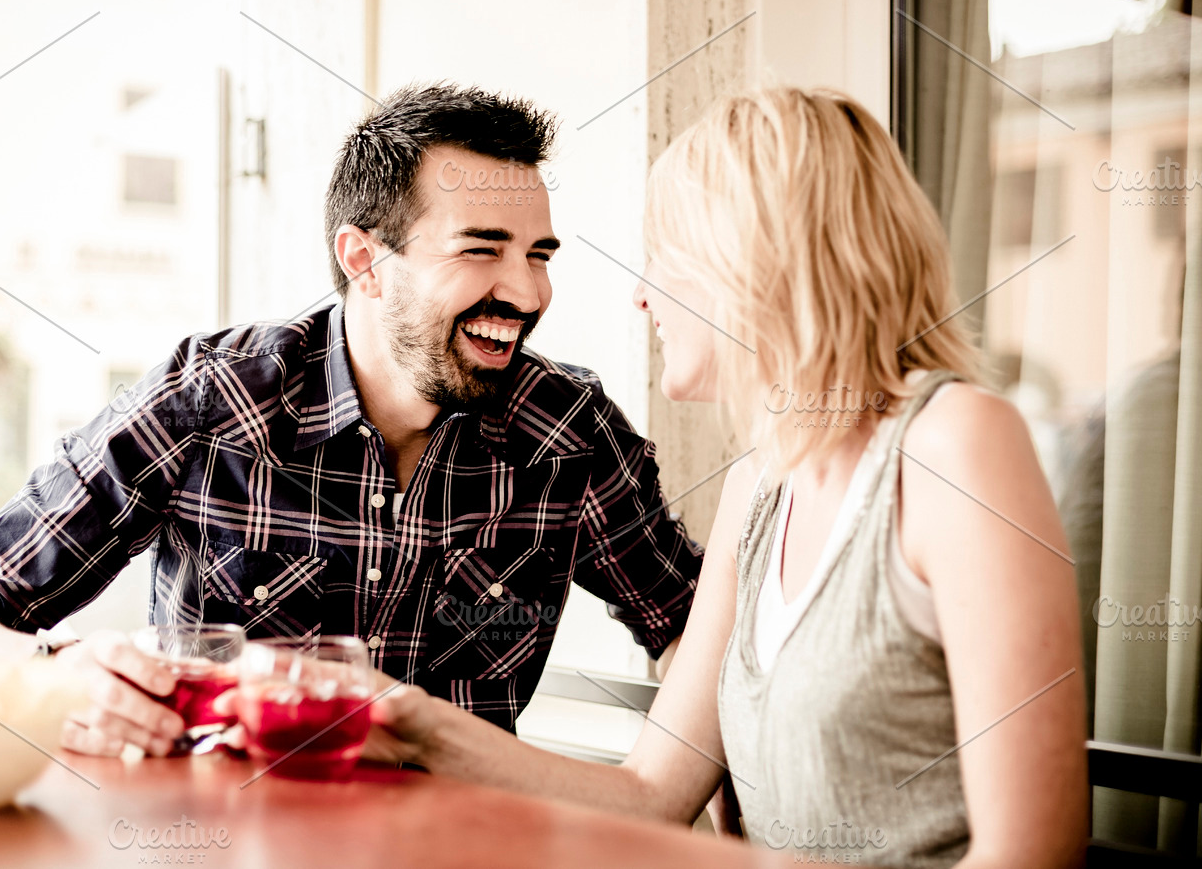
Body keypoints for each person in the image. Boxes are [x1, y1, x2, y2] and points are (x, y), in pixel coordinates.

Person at [365, 87, 1088, 868]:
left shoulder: (957, 444)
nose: (641, 295)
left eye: (666, 260)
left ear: (755, 264)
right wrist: (411, 721)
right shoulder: (759, 487)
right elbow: (651, 793)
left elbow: (1032, 852)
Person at [0, 84, 702, 758]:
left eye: (539, 256)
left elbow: (695, 638)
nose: (527, 294)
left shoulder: (569, 432)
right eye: (482, 249)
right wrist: (57, 674)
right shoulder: (213, 400)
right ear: (364, 261)